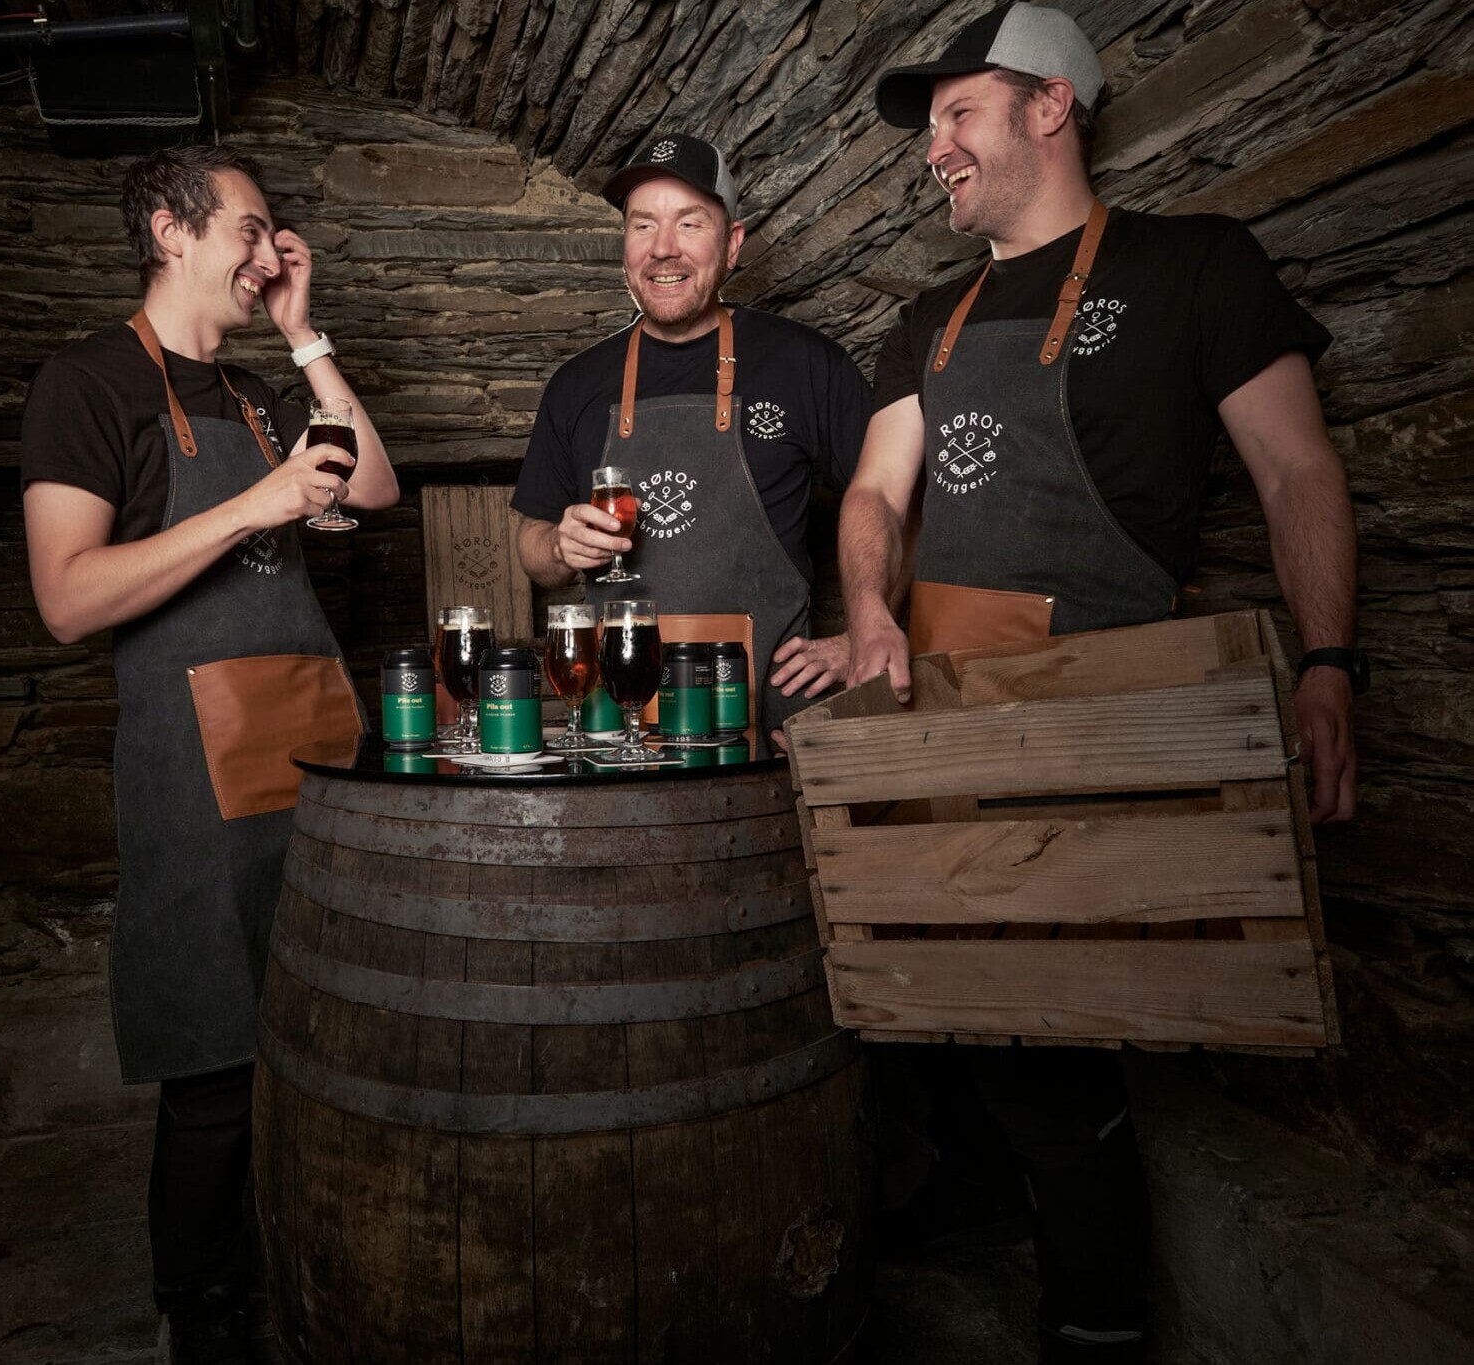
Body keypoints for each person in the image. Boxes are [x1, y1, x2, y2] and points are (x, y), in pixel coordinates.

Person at [843, 4, 1362, 1361]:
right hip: (936, 717)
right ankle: (989, 1238)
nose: (932, 151)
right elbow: (872, 494)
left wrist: (1322, 662)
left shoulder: (1193, 265)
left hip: (1095, 719)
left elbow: (1295, 470)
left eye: (954, 115)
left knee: (1057, 1053)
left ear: (1046, 107)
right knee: (923, 1015)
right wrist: (859, 609)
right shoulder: (928, 317)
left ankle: (1092, 1320)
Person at [20, 144, 398, 1363]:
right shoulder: (86, 387)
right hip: (195, 769)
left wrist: (303, 328)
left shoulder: (261, 392)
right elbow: (69, 600)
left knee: (331, 1036)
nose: (267, 247)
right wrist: (254, 505)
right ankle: (210, 1318)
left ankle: (309, 1267)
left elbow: (376, 485)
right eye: (251, 228)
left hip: (317, 750)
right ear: (172, 231)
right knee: (218, 1068)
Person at [510, 133, 870, 739]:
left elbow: (895, 500)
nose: (664, 250)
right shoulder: (576, 384)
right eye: (643, 225)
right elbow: (530, 546)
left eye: (689, 223)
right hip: (613, 726)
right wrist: (559, 549)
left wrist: (864, 636)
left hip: (764, 726)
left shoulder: (807, 365)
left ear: (732, 243)